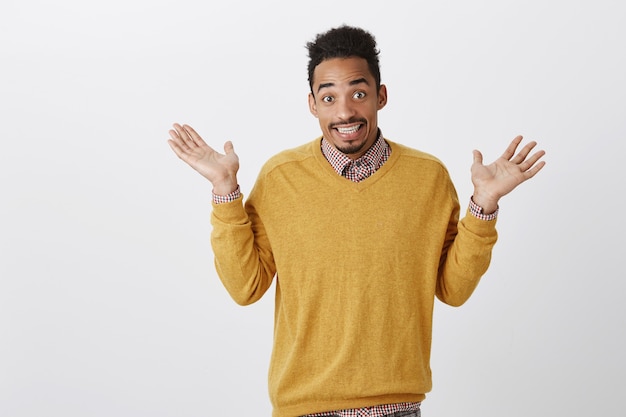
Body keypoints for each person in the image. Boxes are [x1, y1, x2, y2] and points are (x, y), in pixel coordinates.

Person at [167, 25, 545, 417]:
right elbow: (245, 287)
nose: (345, 111)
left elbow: (452, 289)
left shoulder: (427, 177)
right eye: (328, 97)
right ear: (313, 104)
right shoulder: (280, 178)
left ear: (381, 96)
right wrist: (225, 189)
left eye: (358, 93)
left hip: (397, 407)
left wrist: (483, 205)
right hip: (304, 407)